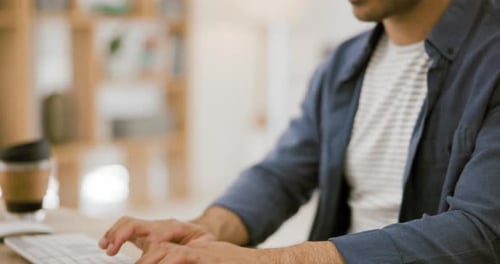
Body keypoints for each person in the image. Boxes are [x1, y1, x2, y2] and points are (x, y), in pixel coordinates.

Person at [99, 0, 500, 262]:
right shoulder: (342, 64)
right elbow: (283, 174)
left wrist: (274, 260)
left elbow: (481, 232)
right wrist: (203, 232)